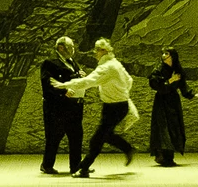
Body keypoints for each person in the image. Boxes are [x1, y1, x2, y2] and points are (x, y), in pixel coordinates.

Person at [51, 38, 136, 177]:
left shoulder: (107, 68)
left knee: (97, 139)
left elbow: (87, 82)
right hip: (116, 105)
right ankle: (127, 148)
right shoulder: (115, 63)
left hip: (115, 107)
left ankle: (83, 168)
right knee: (106, 135)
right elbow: (129, 80)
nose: (95, 53)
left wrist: (64, 85)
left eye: (97, 50)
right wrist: (122, 93)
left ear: (103, 51)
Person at [39, 36, 86, 175]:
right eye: (70, 47)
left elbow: (70, 77)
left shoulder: (71, 61)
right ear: (61, 48)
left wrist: (80, 75)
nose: (73, 49)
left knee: (76, 135)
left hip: (74, 105)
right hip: (57, 107)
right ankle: (47, 165)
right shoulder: (49, 62)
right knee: (54, 136)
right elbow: (48, 83)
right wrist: (63, 91)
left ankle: (76, 166)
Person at [149, 48, 198, 166]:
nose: (163, 55)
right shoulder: (159, 69)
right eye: (163, 53)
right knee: (163, 128)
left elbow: (183, 86)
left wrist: (191, 94)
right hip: (162, 101)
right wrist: (170, 81)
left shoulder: (177, 69)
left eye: (166, 53)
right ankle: (163, 156)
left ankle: (168, 156)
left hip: (173, 101)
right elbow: (156, 85)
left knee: (174, 126)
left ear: (172, 56)